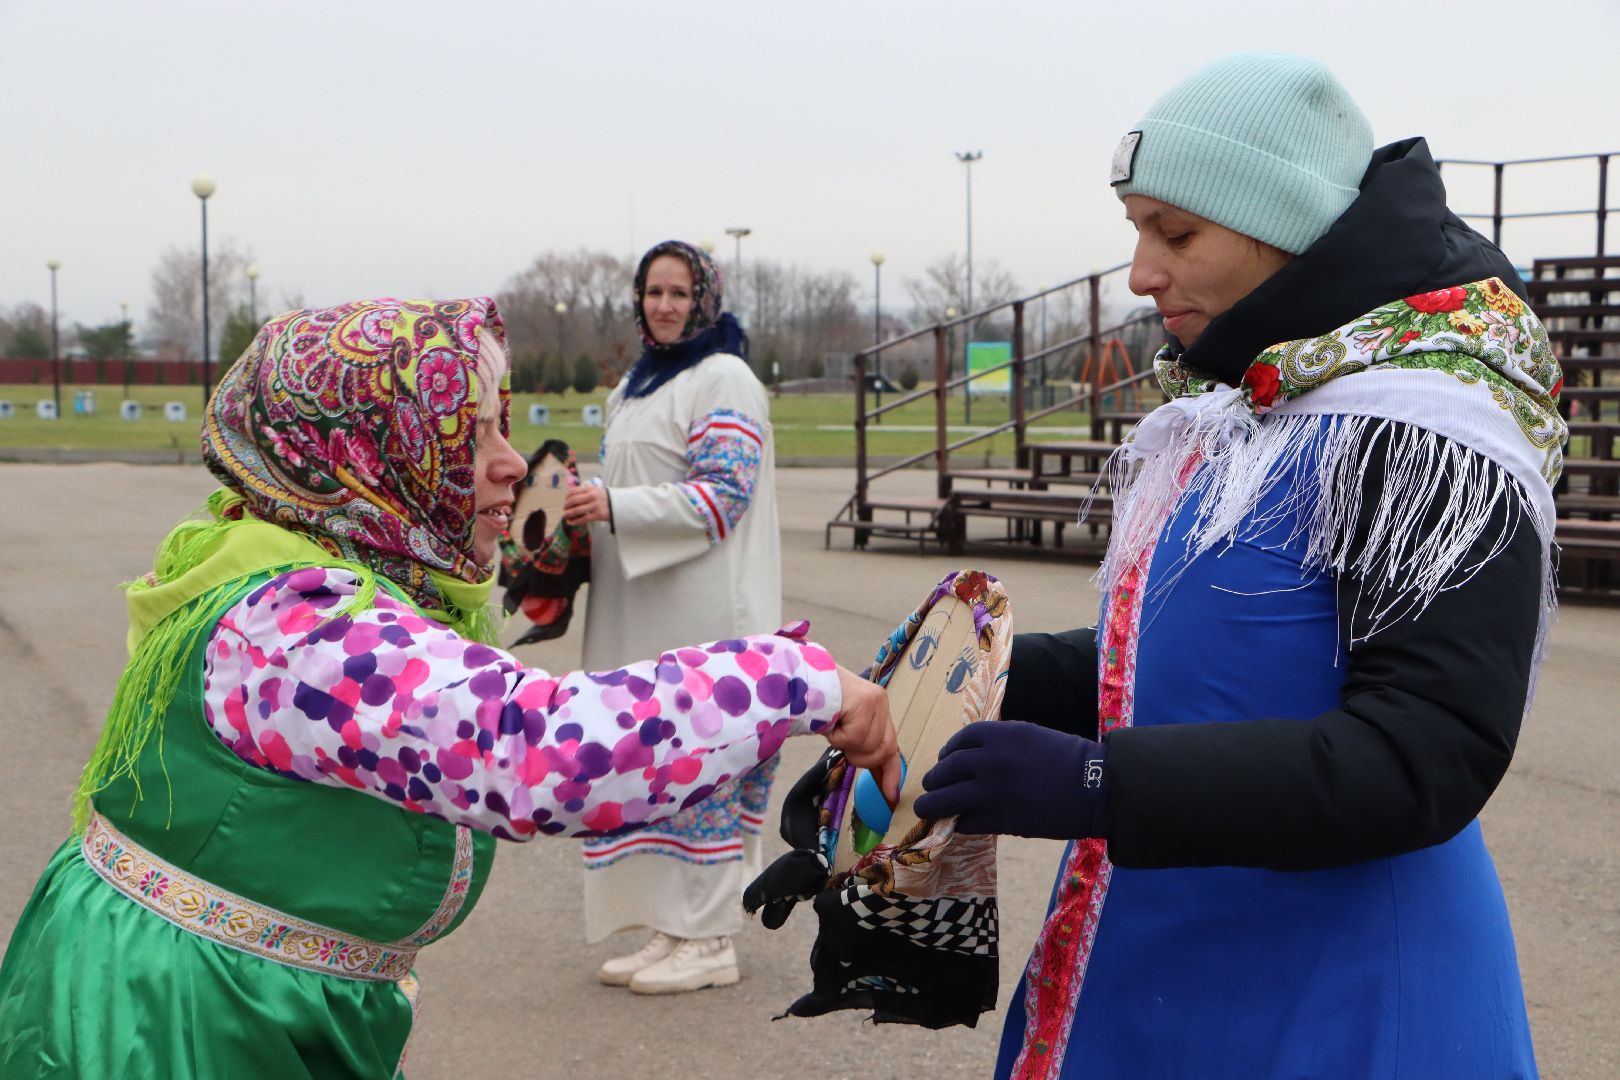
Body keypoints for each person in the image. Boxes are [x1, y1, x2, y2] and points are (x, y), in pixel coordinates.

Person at [0, 297, 898, 1079]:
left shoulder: (304, 569)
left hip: (250, 1003)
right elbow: (535, 750)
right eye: (469, 435)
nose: (512, 462)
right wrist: (797, 679)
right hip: (172, 1023)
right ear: (367, 450)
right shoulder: (297, 628)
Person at [914, 52, 1561, 1079]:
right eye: (1136, 229)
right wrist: (954, 691)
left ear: (1284, 228)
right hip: (1177, 959)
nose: (1139, 273)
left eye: (1175, 233)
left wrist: (1096, 784)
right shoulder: (1253, 409)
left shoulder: (1427, 425)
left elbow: (1427, 749)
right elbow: (1201, 660)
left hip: (1343, 995)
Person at [563, 240, 784, 994]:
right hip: (641, 611)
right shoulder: (634, 387)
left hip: (706, 615)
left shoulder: (723, 377)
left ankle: (712, 936)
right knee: (649, 768)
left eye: (679, 292)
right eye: (653, 291)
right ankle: (671, 926)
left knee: (703, 765)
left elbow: (725, 492)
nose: (664, 305)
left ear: (705, 299)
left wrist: (614, 505)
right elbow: (634, 483)